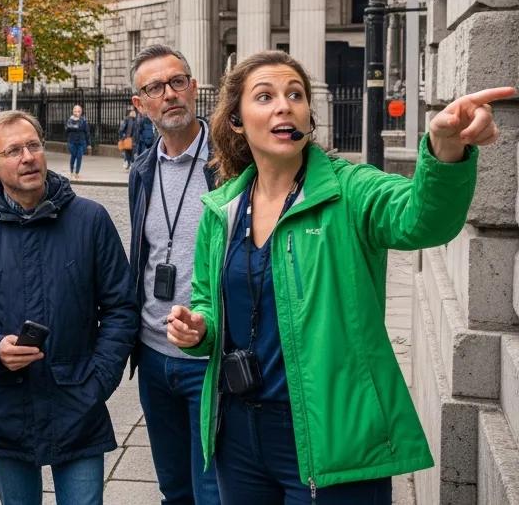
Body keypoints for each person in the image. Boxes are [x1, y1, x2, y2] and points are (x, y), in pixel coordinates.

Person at [166, 50, 514, 503]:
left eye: (295, 94)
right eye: (265, 96)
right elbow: (209, 302)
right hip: (239, 436)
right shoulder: (223, 209)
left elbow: (423, 220)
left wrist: (445, 149)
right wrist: (199, 330)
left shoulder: (349, 190)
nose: (284, 105)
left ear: (309, 115)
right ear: (236, 120)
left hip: (332, 437)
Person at [0, 110, 137, 505]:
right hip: (7, 403)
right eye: (13, 150)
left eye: (33, 145)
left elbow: (121, 307)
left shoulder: (90, 219)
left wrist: (98, 380)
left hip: (77, 398)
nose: (28, 157)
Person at [125, 46, 220, 505]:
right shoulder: (142, 170)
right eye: (155, 88)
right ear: (140, 104)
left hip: (211, 359)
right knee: (174, 489)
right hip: (153, 357)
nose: (170, 94)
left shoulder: (230, 164)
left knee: (212, 490)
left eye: (178, 81)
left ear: (194, 88)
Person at [65, 104, 90, 178]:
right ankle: (72, 171)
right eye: (75, 111)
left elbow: (87, 132)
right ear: (73, 111)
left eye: (79, 111)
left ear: (81, 112)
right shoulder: (70, 120)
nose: (77, 112)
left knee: (79, 156)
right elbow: (66, 130)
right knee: (73, 155)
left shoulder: (83, 120)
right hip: (72, 142)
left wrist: (89, 144)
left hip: (81, 142)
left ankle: (77, 173)